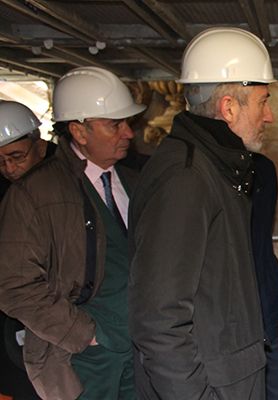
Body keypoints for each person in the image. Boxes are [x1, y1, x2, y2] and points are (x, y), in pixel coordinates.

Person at [128, 27, 274, 399]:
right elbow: (160, 322)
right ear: (228, 107)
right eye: (263, 101)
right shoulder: (186, 178)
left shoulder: (216, 166)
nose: (269, 115)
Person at [0, 66, 146, 400]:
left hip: (139, 347)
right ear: (80, 132)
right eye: (115, 124)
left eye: (127, 123)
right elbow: (13, 285)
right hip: (84, 358)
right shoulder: (34, 194)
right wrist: (84, 334)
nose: (128, 133)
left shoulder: (136, 180)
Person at [0, 101, 55, 400]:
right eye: (0, 161)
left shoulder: (67, 187)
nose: (9, 168)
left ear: (41, 147)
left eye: (16, 157)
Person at [251, 152, 278, 400]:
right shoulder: (194, 170)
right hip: (227, 313)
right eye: (260, 108)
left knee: (275, 385)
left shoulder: (263, 168)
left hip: (267, 298)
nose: (268, 117)